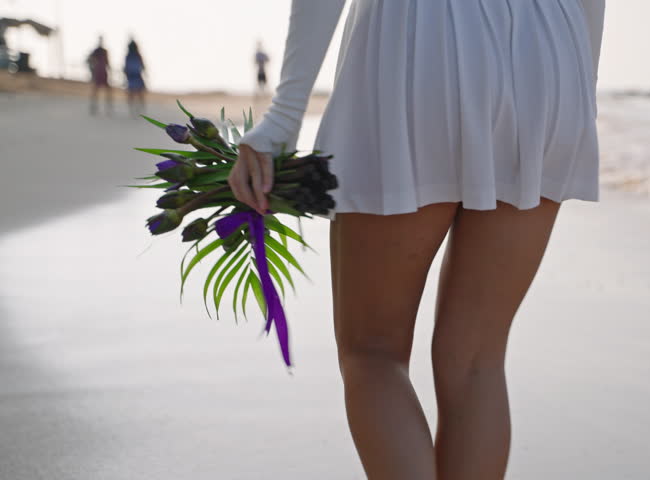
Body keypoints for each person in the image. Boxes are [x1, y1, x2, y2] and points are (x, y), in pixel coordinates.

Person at [232, 1, 606, 478]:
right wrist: (579, 86)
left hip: (417, 37)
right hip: (552, 47)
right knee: (476, 359)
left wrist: (284, 117)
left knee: (373, 351)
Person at [87, 35, 112, 115]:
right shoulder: (98, 51)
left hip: (101, 72)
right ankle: (95, 107)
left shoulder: (101, 51)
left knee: (100, 90)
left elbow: (107, 62)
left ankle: (105, 108)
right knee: (97, 90)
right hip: (99, 72)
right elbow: (90, 60)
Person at [123, 38, 146, 116]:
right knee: (138, 93)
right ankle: (138, 109)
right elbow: (143, 65)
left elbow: (125, 67)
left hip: (132, 76)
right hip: (135, 75)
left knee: (133, 93)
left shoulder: (130, 56)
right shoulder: (135, 55)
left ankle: (134, 109)